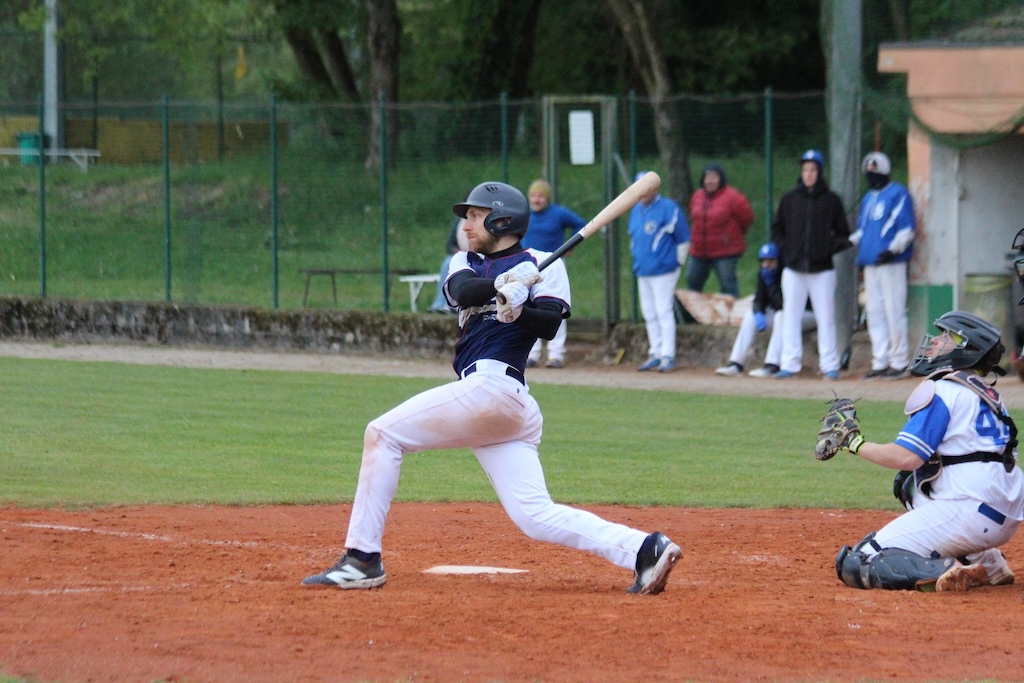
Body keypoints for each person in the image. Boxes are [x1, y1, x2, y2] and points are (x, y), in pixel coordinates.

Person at [302, 181, 682, 595]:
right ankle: (644, 549)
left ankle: (361, 559)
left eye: (475, 215)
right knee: (534, 515)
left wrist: (518, 309)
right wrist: (504, 283)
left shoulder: (544, 263)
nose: (466, 223)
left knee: (382, 434)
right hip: (496, 406)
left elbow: (550, 324)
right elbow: (462, 291)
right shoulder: (464, 261)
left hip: (497, 390)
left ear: (502, 219)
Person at [831, 310, 1022, 592]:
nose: (934, 342)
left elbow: (907, 457)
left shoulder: (942, 390)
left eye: (945, 337)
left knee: (860, 560)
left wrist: (854, 443)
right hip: (1006, 513)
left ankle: (947, 569)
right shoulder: (989, 396)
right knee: (909, 485)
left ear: (964, 349)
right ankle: (990, 565)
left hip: (969, 513)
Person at [770, 149, 851, 380]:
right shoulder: (789, 200)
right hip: (794, 269)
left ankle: (830, 365)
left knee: (826, 317)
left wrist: (826, 248)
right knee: (790, 317)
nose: (808, 174)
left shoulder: (831, 200)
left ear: (819, 172)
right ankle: (790, 363)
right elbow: (777, 230)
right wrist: (786, 251)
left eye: (813, 170)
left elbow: (843, 234)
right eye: (805, 169)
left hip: (822, 269)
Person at [850, 151, 915, 380]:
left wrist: (892, 250)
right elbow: (862, 230)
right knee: (875, 312)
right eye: (868, 172)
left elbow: (906, 229)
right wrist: (846, 241)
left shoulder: (898, 194)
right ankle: (880, 361)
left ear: (884, 172)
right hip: (870, 264)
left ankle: (899, 362)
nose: (871, 176)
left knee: (894, 310)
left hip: (891, 263)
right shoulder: (868, 198)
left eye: (874, 171)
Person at [714, 242, 815, 378]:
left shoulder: (786, 274)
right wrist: (758, 312)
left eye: (771, 260)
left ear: (779, 261)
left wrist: (771, 285)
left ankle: (772, 365)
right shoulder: (764, 274)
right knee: (750, 316)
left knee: (781, 315)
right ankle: (736, 363)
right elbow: (758, 300)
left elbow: (785, 305)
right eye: (764, 261)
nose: (767, 264)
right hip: (786, 316)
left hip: (806, 315)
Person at [628, 171, 690, 373]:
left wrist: (677, 263)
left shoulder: (669, 208)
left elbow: (683, 238)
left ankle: (667, 354)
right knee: (649, 312)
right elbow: (634, 238)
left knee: (663, 311)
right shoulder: (636, 210)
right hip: (643, 270)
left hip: (664, 270)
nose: (642, 193)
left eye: (645, 188)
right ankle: (655, 351)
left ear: (655, 188)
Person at [521, 179, 587, 368]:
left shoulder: (558, 213)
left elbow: (580, 225)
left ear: (547, 198)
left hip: (552, 264)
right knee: (529, 307)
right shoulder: (525, 214)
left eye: (540, 196)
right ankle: (531, 354)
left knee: (554, 307)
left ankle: (555, 354)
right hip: (529, 264)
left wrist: (568, 246)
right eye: (533, 195)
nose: (536, 199)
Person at [686, 162, 755, 298]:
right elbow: (693, 218)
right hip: (699, 250)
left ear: (721, 179)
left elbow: (747, 218)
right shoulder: (697, 196)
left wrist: (730, 236)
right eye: (707, 177)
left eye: (714, 177)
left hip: (725, 251)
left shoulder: (733, 196)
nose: (710, 181)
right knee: (692, 280)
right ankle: (692, 315)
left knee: (728, 284)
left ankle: (731, 316)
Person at [428, 212, 471, 314]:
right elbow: (450, 244)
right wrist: (458, 252)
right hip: (460, 255)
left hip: (475, 256)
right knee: (448, 262)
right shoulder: (459, 220)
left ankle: (451, 305)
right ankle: (439, 305)